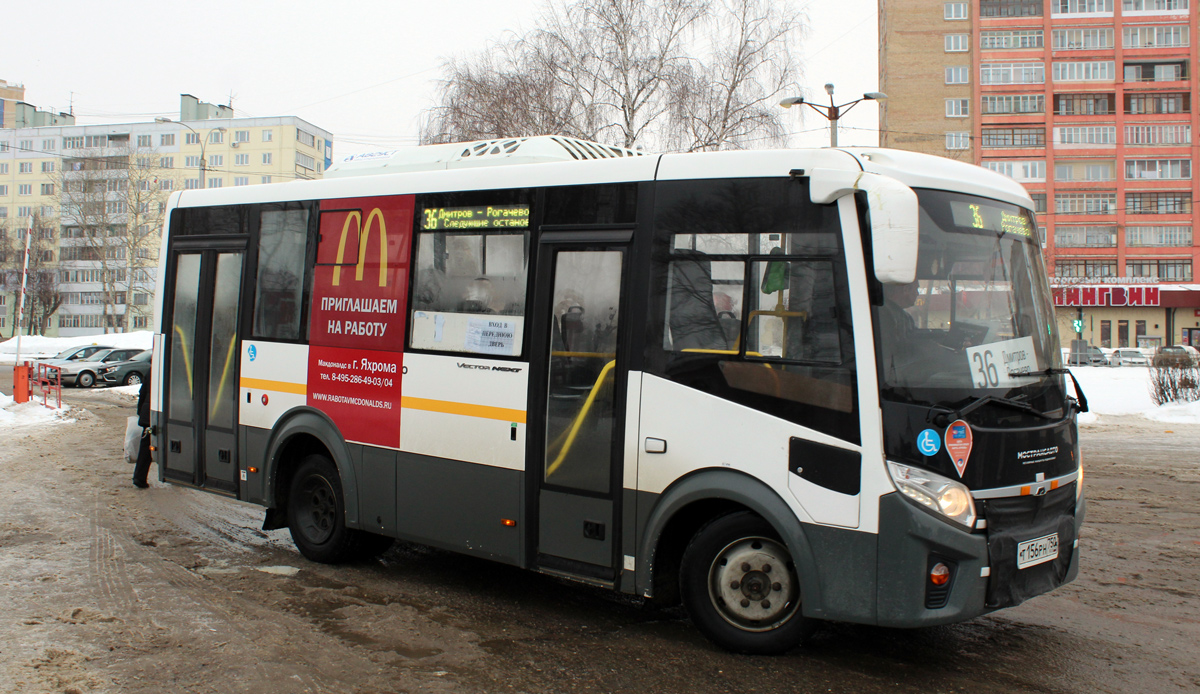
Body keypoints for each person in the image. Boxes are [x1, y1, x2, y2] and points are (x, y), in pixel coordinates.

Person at [132, 375, 153, 488]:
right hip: (164, 413)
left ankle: (139, 477)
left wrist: (141, 412)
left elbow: (143, 391)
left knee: (146, 447)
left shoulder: (153, 369)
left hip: (148, 413)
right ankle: (175, 474)